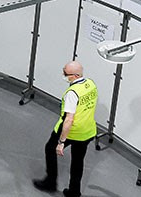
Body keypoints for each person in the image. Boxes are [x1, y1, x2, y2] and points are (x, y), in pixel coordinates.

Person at [33, 61, 97, 197]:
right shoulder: (91, 84)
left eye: (65, 73)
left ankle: (50, 183)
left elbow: (69, 120)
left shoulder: (72, 93)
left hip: (71, 131)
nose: (63, 75)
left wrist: (61, 142)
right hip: (87, 131)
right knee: (78, 161)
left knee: (50, 148)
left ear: (74, 76)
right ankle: (74, 191)